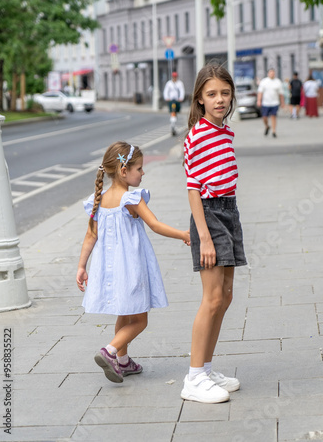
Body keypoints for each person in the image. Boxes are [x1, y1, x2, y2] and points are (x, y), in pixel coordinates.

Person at [76, 141, 190, 384]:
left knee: (124, 313)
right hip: (131, 268)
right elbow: (155, 225)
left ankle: (124, 361)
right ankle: (110, 350)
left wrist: (81, 266)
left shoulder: (100, 199)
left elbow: (90, 236)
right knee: (139, 319)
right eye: (139, 168)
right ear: (123, 171)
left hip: (110, 269)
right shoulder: (131, 198)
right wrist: (184, 234)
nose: (143, 172)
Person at [182, 63, 247, 404]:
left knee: (226, 295)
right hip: (209, 214)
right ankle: (193, 378)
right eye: (212, 94)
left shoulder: (225, 131)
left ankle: (205, 368)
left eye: (224, 92)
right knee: (211, 299)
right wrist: (204, 236)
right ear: (200, 99)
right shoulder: (198, 134)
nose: (220, 99)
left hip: (229, 211)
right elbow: (193, 188)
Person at [257, 68, 284, 138]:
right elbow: (260, 92)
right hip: (265, 103)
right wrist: (259, 100)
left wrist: (282, 102)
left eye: (273, 73)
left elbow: (281, 94)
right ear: (268, 73)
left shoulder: (278, 82)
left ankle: (274, 131)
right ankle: (267, 126)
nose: (272, 74)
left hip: (275, 102)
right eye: (270, 73)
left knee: (273, 116)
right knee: (264, 117)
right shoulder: (264, 81)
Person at [163, 71, 185, 136]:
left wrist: (181, 98)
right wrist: (166, 97)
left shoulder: (180, 83)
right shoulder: (169, 83)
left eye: (175, 77)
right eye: (173, 77)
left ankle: (173, 124)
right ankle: (173, 125)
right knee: (173, 112)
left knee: (175, 112)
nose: (174, 78)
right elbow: (166, 91)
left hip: (177, 100)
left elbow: (182, 90)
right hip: (171, 100)